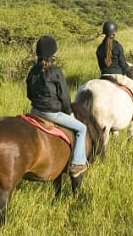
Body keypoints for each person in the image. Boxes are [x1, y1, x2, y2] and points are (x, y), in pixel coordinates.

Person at [26, 35, 89, 177]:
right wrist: (68, 112)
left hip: (34, 111)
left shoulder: (32, 71)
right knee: (81, 128)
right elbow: (65, 97)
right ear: (53, 53)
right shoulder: (55, 71)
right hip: (51, 113)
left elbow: (29, 94)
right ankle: (77, 162)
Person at [96, 20, 133, 119]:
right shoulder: (118, 46)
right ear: (114, 32)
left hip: (103, 76)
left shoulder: (99, 48)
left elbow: (101, 66)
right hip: (117, 76)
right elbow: (123, 65)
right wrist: (129, 71)